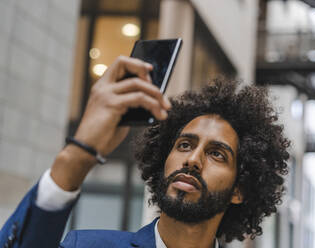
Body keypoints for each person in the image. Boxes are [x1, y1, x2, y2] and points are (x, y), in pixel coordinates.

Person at [0, 56, 290, 248]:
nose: (192, 159)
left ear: (239, 189)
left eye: (217, 154)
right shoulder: (85, 245)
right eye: (184, 145)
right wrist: (75, 157)